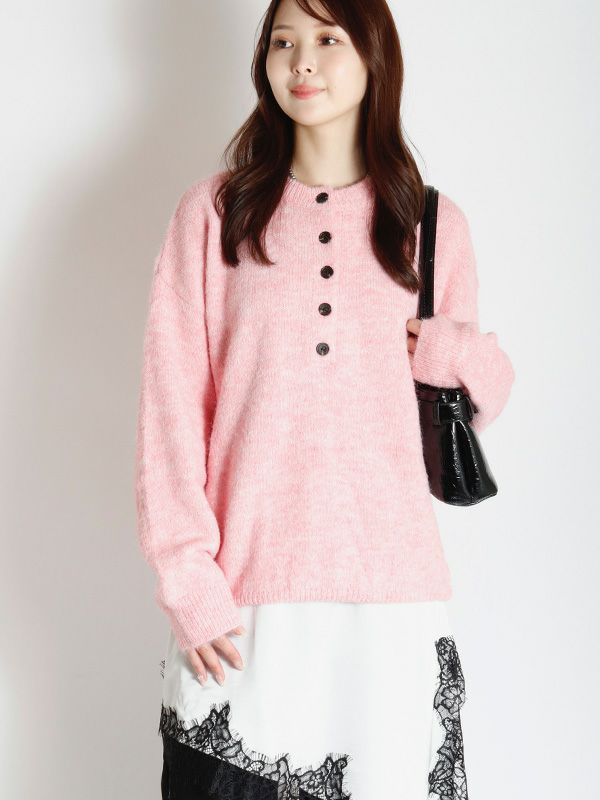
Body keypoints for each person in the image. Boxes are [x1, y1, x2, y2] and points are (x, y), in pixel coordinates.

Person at [134, 0, 515, 797]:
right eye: (283, 41)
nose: (301, 61)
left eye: (327, 39)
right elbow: (171, 411)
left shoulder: (432, 224)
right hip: (242, 604)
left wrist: (457, 352)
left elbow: (471, 410)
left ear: (374, 57)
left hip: (391, 604)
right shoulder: (214, 215)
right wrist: (187, 580)